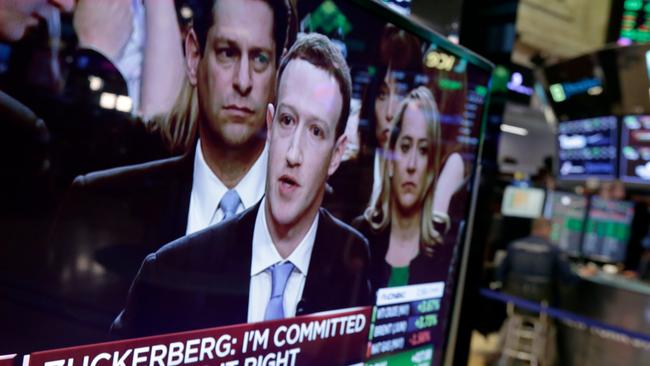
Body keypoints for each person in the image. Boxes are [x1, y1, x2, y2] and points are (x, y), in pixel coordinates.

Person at [48, 0, 297, 323]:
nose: (243, 80)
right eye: (227, 53)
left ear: (279, 70)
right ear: (194, 57)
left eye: (260, 58)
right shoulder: (100, 204)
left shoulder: (324, 230)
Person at [110, 33, 371, 338]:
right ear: (270, 126)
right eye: (287, 121)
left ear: (336, 154)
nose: (293, 154)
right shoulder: (174, 269)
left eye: (315, 131)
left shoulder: (350, 259)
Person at [353, 86, 452, 290]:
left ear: (432, 168)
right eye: (405, 147)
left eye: (424, 150)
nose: (412, 165)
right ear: (390, 162)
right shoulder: (359, 237)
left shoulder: (445, 249)